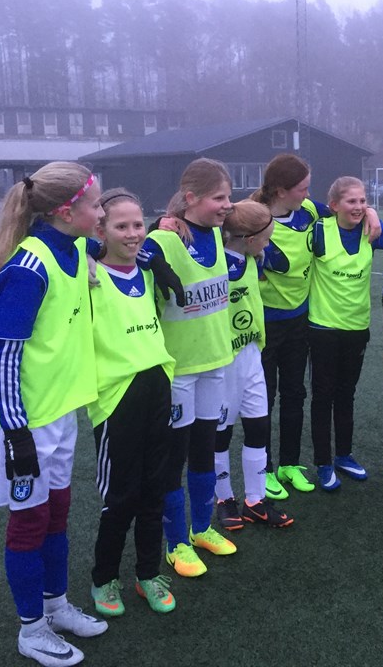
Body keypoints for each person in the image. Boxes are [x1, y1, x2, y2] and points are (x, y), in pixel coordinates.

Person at [0, 162, 108, 667]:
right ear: (66, 211)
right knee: (28, 524)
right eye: (96, 204)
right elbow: (4, 359)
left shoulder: (73, 247)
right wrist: (16, 435)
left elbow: (106, 244)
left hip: (59, 413)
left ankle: (55, 605)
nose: (103, 212)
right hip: (24, 423)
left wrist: (169, 224)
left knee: (57, 515)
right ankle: (32, 630)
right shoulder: (28, 269)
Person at [252, 155, 380, 498]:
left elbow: (344, 209)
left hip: (299, 320)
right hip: (264, 321)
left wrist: (370, 212)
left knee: (295, 393)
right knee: (264, 398)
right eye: (303, 188)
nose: (309, 194)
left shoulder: (308, 211)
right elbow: (215, 219)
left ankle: (289, 464)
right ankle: (263, 469)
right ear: (281, 190)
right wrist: (169, 221)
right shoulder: (255, 218)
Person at [142, 158, 237, 578]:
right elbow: (119, 246)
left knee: (204, 450)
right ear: (191, 197)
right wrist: (155, 225)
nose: (227, 205)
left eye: (229, 197)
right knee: (173, 459)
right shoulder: (164, 239)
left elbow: (268, 210)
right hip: (178, 370)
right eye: (219, 198)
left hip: (215, 362)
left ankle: (201, 529)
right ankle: (176, 543)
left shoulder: (217, 230)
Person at [86, 189, 177, 618]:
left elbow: (160, 237)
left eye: (138, 224)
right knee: (121, 498)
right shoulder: (86, 275)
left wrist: (162, 237)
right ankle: (104, 577)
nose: (132, 233)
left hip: (158, 387)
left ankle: (148, 574)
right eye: (120, 226)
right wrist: (88, 250)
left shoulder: (147, 269)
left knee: (154, 491)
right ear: (100, 229)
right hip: (115, 400)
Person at [308, 176, 383, 490]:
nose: (358, 207)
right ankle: (323, 463)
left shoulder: (370, 230)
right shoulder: (319, 231)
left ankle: (344, 456)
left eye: (363, 201)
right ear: (334, 205)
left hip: (357, 329)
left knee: (346, 395)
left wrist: (374, 215)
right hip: (323, 329)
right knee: (323, 397)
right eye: (351, 201)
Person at [213, 200, 294, 529]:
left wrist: (262, 244)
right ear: (248, 239)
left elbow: (283, 263)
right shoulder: (214, 262)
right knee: (220, 435)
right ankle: (224, 499)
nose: (269, 243)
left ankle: (255, 500)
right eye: (266, 237)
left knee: (259, 427)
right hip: (222, 362)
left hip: (251, 356)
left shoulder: (253, 259)